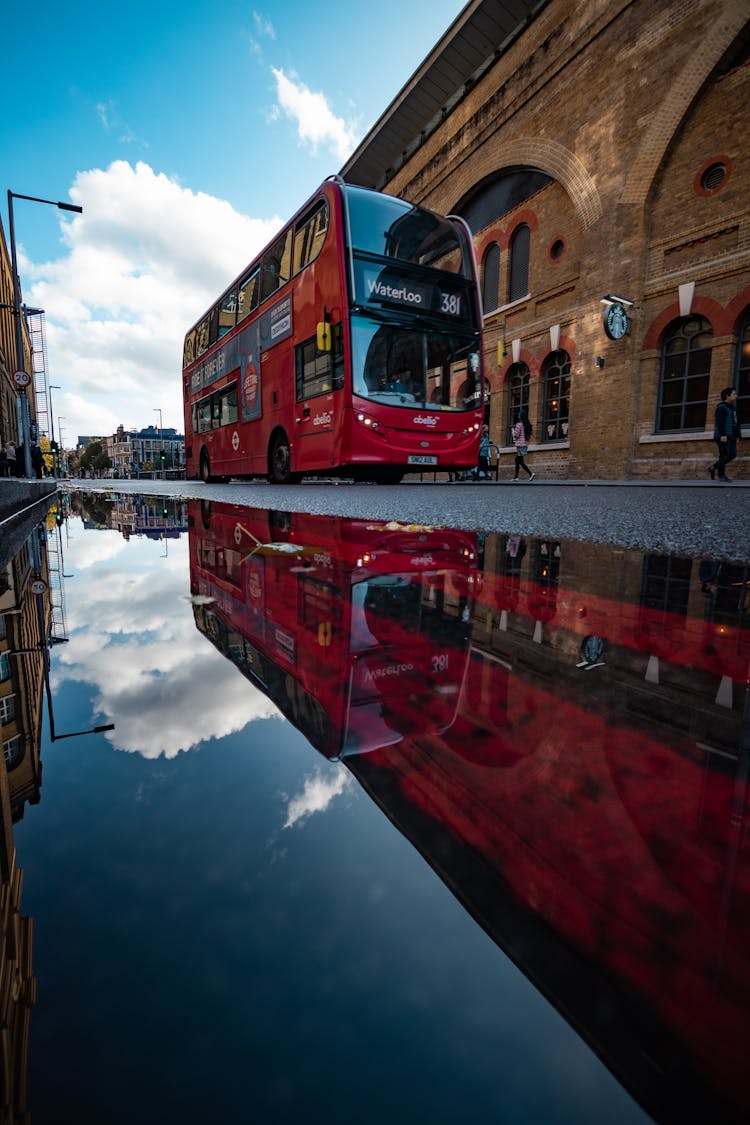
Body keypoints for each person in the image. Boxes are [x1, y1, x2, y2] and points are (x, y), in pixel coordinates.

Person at [709, 386, 742, 482]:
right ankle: (721, 475)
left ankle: (713, 467)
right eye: (734, 394)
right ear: (727, 396)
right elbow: (720, 422)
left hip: (732, 435)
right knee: (724, 455)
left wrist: (738, 436)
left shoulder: (733, 409)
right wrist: (722, 435)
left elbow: (736, 423)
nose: (736, 396)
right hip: (722, 436)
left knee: (732, 455)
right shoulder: (721, 407)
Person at [511, 409, 535, 481]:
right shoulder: (526, 425)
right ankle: (516, 477)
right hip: (524, 445)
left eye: (519, 415)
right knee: (517, 460)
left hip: (520, 445)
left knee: (520, 461)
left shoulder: (519, 424)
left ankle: (531, 474)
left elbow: (516, 435)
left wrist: (512, 430)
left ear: (520, 416)